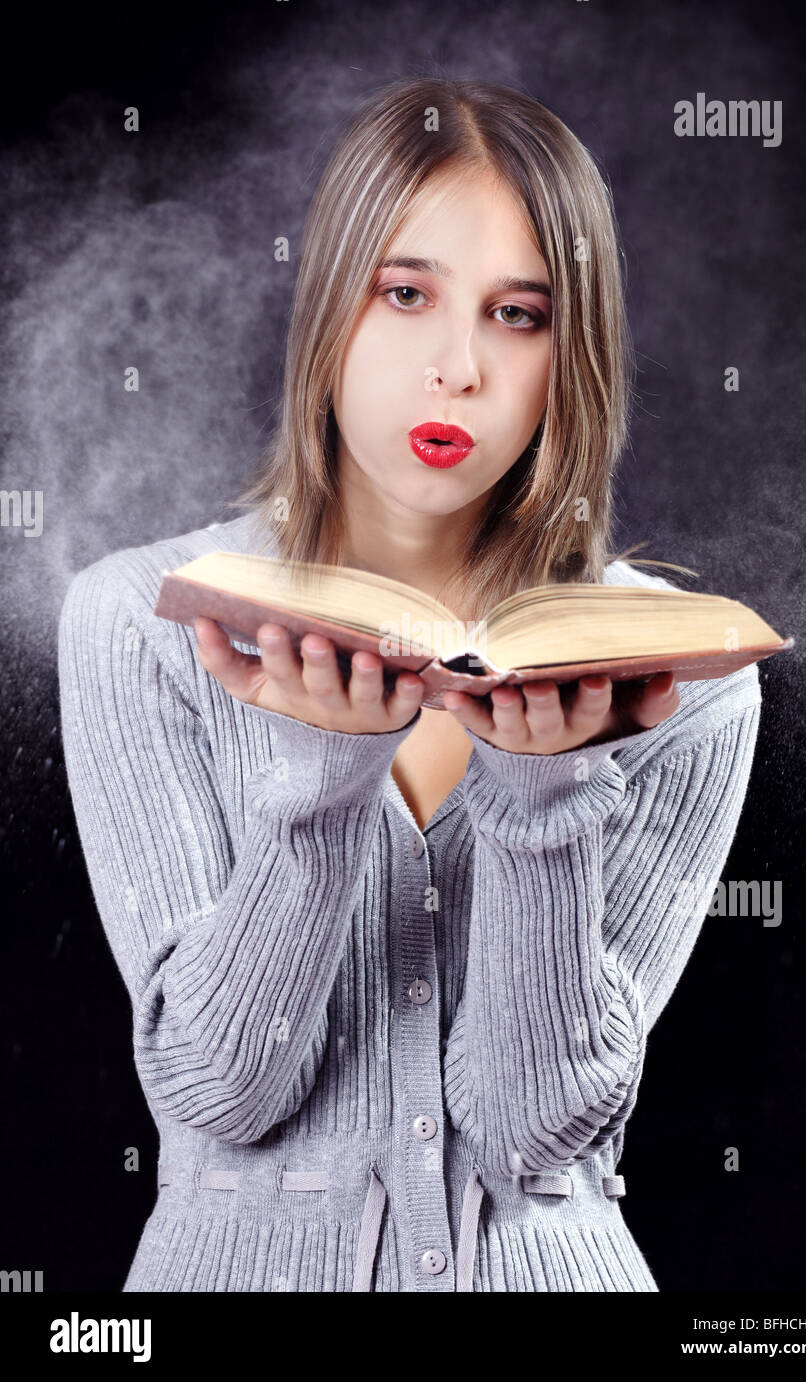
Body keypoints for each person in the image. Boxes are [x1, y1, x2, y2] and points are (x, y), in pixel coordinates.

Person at [57, 76, 762, 1292]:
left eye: (518, 315)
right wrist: (320, 788)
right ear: (329, 305)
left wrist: (545, 805)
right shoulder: (142, 619)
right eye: (405, 294)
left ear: (568, 353)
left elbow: (534, 1131)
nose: (457, 370)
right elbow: (222, 1089)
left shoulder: (675, 679)